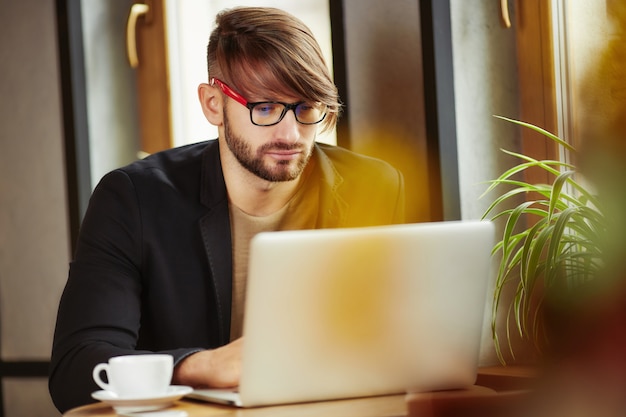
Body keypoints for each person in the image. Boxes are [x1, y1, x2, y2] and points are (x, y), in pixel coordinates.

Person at [49, 6, 405, 413]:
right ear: (213, 103)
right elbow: (76, 370)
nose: (291, 135)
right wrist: (200, 366)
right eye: (265, 108)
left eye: (306, 108)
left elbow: (398, 335)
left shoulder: (376, 185)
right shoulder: (133, 199)